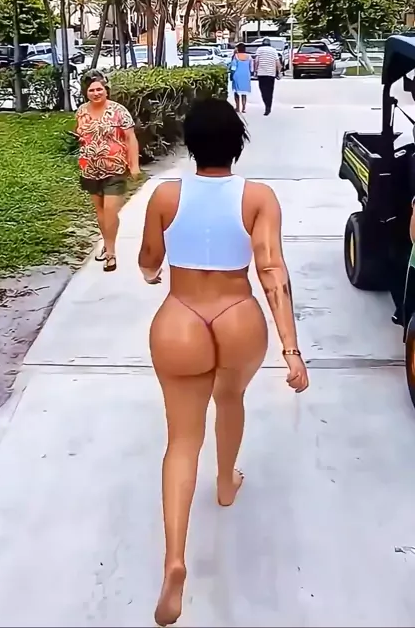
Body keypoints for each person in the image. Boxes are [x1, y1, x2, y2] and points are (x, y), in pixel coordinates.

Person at [138, 97, 309, 627]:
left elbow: (149, 260)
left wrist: (150, 273)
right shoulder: (258, 197)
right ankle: (226, 482)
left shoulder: (165, 195)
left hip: (180, 316)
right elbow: (272, 270)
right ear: (238, 143)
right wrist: (291, 350)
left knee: (180, 440)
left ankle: (174, 561)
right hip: (238, 316)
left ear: (190, 144)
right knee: (230, 397)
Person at [75, 71, 140, 271]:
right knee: (101, 212)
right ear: (86, 92)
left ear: (106, 90)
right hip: (90, 169)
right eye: (91, 90)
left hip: (115, 168)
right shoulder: (81, 111)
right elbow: (81, 135)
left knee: (111, 210)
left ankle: (111, 253)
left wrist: (134, 165)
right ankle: (106, 243)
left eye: (99, 89)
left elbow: (130, 138)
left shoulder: (119, 111)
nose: (96, 93)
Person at [253, 37, 281, 116]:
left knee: (263, 91)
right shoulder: (273, 50)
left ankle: (266, 104)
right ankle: (268, 106)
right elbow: (277, 62)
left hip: (261, 74)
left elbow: (256, 61)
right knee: (270, 91)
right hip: (271, 74)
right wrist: (279, 72)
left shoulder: (259, 50)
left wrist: (255, 71)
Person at [229, 42, 252, 113]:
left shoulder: (236, 56)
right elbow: (251, 68)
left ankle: (237, 107)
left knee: (236, 92)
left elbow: (233, 67)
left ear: (238, 49)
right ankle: (244, 108)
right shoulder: (249, 57)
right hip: (246, 75)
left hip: (237, 75)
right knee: (244, 92)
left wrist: (231, 75)